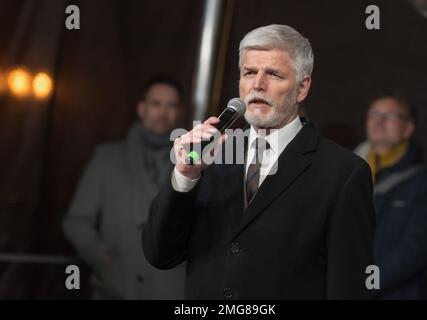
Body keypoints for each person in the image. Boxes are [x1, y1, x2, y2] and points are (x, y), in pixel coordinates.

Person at [142, 25, 376, 299]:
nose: (258, 85)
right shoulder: (209, 155)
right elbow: (160, 255)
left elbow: (349, 288)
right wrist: (184, 177)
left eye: (274, 74)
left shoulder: (343, 172)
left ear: (302, 88)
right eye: (250, 72)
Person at [63, 75, 186, 299]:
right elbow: (77, 220)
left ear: (179, 112)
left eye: (171, 105)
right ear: (141, 108)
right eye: (156, 104)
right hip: (117, 286)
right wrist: (101, 257)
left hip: (171, 289)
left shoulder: (191, 163)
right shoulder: (107, 158)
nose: (163, 112)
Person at [354, 94, 427, 299]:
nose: (380, 120)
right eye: (374, 114)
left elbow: (413, 252)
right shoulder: (349, 173)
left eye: (391, 115)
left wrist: (366, 283)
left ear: (408, 129)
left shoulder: (422, 183)